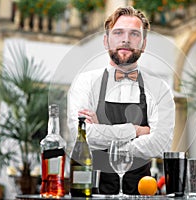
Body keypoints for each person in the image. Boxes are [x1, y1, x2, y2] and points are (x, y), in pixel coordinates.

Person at [67, 6, 175, 195]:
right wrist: (136, 130)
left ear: (143, 44)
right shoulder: (85, 82)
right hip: (92, 192)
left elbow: (161, 143)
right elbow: (83, 136)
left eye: (134, 34)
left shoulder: (159, 88)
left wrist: (104, 136)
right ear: (106, 41)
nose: (126, 39)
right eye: (118, 33)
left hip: (143, 193)